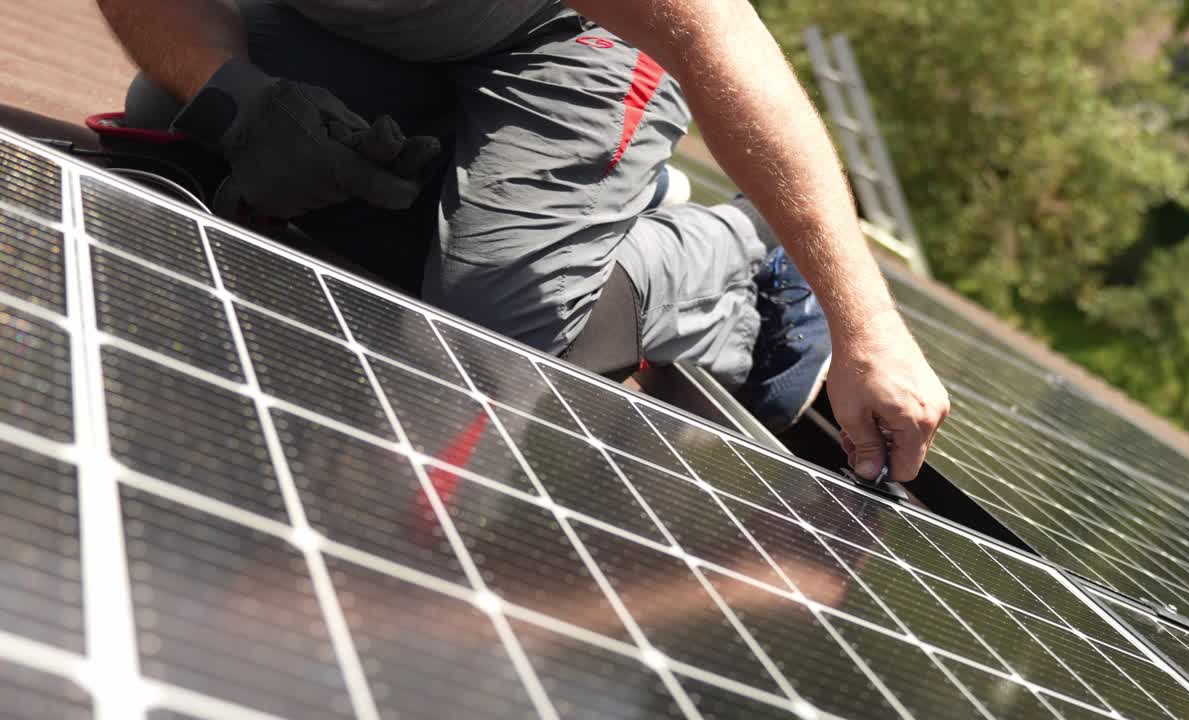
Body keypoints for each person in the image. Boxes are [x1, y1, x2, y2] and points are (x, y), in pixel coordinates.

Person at [96, 0, 949, 483]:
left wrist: (862, 324)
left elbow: (713, 35)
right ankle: (577, 209)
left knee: (487, 338)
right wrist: (239, 101)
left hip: (580, 34)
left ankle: (743, 247)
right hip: (365, 28)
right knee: (175, 116)